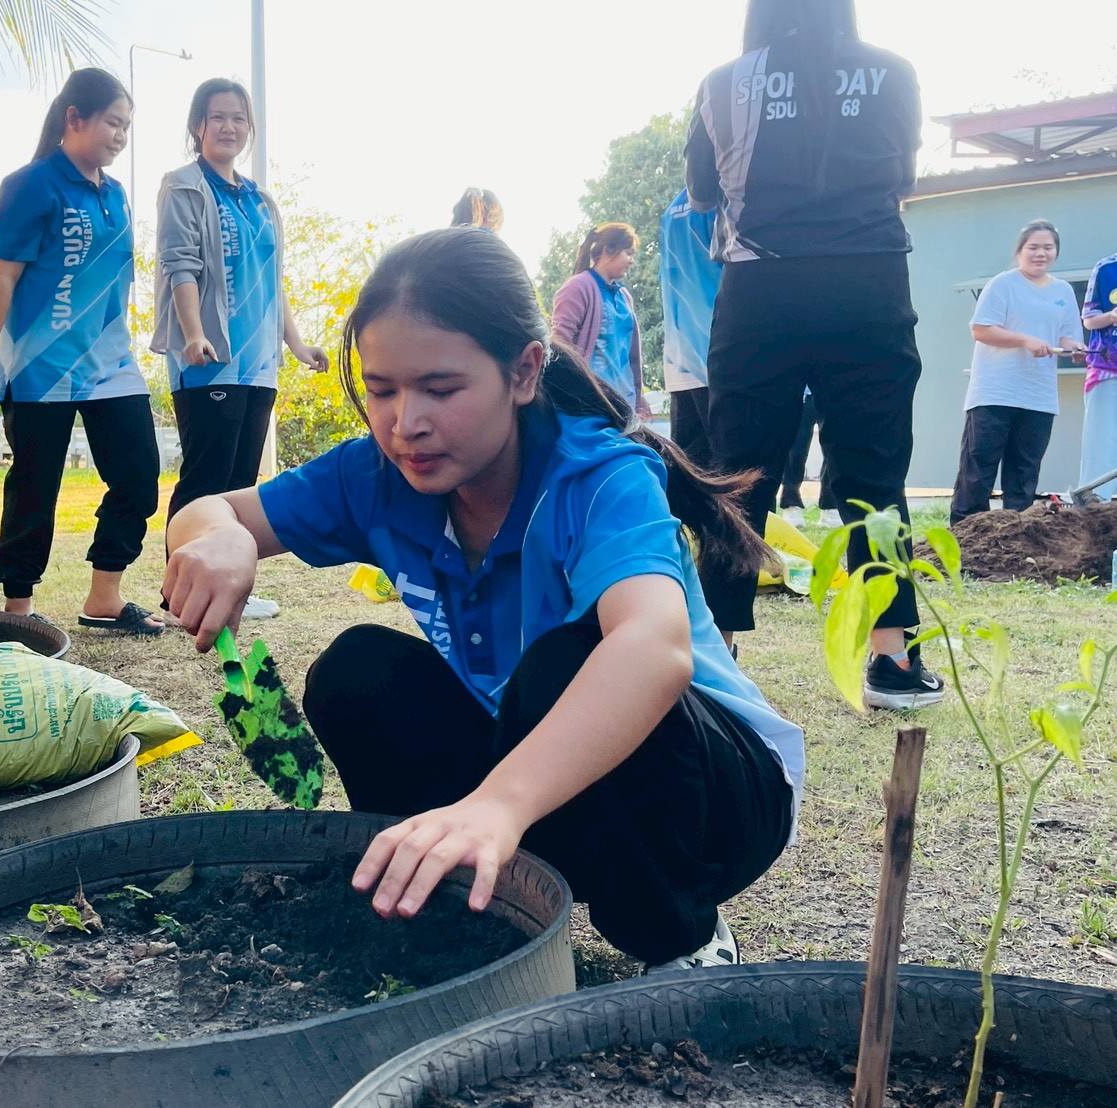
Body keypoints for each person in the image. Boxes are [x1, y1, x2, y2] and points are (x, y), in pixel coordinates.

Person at [163, 228, 803, 972]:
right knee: (357, 670)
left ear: (523, 372)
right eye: (381, 390)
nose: (406, 422)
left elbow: (652, 651)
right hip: (539, 781)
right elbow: (208, 512)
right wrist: (223, 538)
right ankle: (445, 906)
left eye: (440, 389)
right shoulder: (377, 476)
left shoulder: (598, 477)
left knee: (567, 663)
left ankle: (682, 940)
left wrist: (499, 804)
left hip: (714, 802)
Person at [685, 0, 943, 708]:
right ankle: (892, 659)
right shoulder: (893, 72)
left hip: (760, 291)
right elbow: (901, 177)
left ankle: (715, 652)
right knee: (874, 474)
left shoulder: (724, 82)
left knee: (737, 474)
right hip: (868, 286)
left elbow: (702, 192)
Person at [0, 68, 164, 634]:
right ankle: (18, 610)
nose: (121, 136)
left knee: (139, 476)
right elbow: (2, 279)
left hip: (110, 363)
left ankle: (105, 597)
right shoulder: (30, 185)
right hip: (40, 366)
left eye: (127, 126)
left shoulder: (115, 194)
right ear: (75, 118)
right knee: (34, 489)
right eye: (112, 122)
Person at [152, 78, 329, 621]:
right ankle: (178, 592)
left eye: (238, 118)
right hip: (209, 359)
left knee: (238, 487)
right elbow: (179, 265)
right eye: (217, 117)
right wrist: (193, 333)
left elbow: (273, 279)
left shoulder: (259, 199)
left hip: (258, 363)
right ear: (197, 126)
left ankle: (227, 587)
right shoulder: (183, 185)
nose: (229, 127)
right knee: (206, 480)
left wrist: (296, 344)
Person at [951, 221, 1083, 524]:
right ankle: (966, 532)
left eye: (1048, 247)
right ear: (1019, 251)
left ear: (1056, 252)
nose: (1041, 253)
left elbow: (1067, 337)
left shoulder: (1063, 291)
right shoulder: (1003, 284)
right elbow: (981, 330)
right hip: (995, 392)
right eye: (1033, 247)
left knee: (1024, 472)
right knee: (978, 469)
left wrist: (1075, 348)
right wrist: (1024, 340)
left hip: (1039, 396)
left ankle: (1017, 532)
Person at [551, 223, 652, 419]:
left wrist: (639, 396)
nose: (632, 261)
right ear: (608, 250)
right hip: (591, 404)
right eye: (628, 253)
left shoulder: (624, 295)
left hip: (625, 403)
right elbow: (559, 345)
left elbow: (627, 354)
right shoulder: (578, 287)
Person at [659, 188, 719, 472]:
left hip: (680, 358)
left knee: (688, 464)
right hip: (718, 356)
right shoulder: (724, 201)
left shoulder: (671, 211)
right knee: (727, 466)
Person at [1082, 249, 1117, 501]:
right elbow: (1089, 319)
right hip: (1107, 370)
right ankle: (1094, 509)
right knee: (1100, 447)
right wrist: (1111, 316)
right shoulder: (1106, 268)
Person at [777, 391, 841, 528]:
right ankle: (791, 505)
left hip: (828, 391)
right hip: (802, 393)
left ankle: (831, 507)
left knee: (833, 449)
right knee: (795, 450)